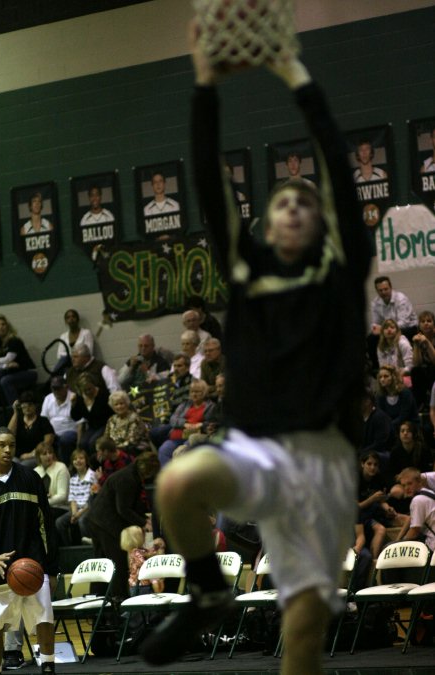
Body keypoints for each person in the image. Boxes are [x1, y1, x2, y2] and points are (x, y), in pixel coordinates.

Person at [139, 22, 372, 675]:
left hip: (323, 464)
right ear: (266, 223)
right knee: (178, 481)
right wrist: (205, 83)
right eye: (282, 202)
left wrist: (296, 74)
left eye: (306, 201)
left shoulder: (340, 270)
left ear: (321, 220)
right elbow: (211, 184)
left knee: (301, 640)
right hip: (255, 450)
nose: (295, 206)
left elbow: (335, 164)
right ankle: (209, 586)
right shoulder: (244, 269)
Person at [0, 427, 58, 675]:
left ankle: (48, 667)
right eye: (2, 445)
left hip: (33, 565)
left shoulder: (30, 478)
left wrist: (53, 568)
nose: (8, 450)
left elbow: (46, 524)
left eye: (12, 445)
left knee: (45, 621)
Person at [86, 452, 160, 599]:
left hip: (97, 519)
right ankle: (119, 602)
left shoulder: (129, 474)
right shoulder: (128, 478)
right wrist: (143, 522)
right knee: (117, 563)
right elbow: (123, 509)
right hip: (105, 523)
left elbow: (129, 505)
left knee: (102, 563)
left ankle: (98, 600)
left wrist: (143, 518)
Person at [157, 379, 215, 467]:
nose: (194, 394)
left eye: (197, 392)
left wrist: (201, 425)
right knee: (163, 450)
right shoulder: (185, 404)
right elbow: (173, 419)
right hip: (176, 437)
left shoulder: (210, 406)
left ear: (204, 392)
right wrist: (184, 423)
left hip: (192, 438)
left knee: (181, 453)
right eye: (192, 392)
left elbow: (211, 423)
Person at [0, 315, 37, 406]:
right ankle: (2, 404)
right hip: (11, 372)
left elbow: (8, 358)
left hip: (27, 372)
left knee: (5, 380)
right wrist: (5, 365)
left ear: (7, 326)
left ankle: (16, 409)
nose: (1, 327)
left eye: (3, 324)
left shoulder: (15, 341)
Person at [55, 449, 97, 546]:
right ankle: (69, 548)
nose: (78, 461)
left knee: (82, 521)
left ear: (86, 460)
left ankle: (89, 546)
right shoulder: (73, 479)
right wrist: (74, 513)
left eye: (81, 458)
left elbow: (92, 501)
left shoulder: (93, 476)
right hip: (77, 510)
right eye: (75, 459)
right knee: (59, 522)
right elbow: (72, 499)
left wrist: (79, 514)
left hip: (88, 509)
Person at [8, 391, 55, 468]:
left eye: (30, 404)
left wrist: (31, 454)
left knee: (22, 466)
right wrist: (15, 412)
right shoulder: (17, 421)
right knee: (10, 463)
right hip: (18, 456)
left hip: (36, 455)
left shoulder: (43, 421)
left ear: (35, 406)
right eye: (24, 405)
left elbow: (48, 442)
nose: (27, 407)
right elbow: (9, 434)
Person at [70, 373, 114, 453]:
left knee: (92, 443)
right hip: (92, 427)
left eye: (90, 389)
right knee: (82, 444)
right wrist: (73, 405)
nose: (88, 392)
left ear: (94, 384)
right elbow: (76, 417)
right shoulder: (80, 397)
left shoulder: (104, 394)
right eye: (85, 390)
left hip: (105, 425)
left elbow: (112, 413)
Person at [40, 376, 79, 464]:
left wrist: (79, 445)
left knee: (65, 439)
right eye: (53, 389)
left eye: (58, 388)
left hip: (70, 432)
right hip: (53, 434)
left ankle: (65, 465)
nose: (56, 391)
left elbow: (80, 423)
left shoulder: (74, 398)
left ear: (66, 387)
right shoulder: (48, 398)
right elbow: (44, 420)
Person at [120, 526, 166, 596]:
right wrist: (154, 580)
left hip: (139, 585)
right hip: (140, 586)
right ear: (137, 539)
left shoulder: (137, 551)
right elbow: (146, 567)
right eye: (142, 535)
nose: (145, 536)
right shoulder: (135, 553)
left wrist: (157, 546)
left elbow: (148, 553)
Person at [396, 467, 435, 549]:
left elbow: (414, 531)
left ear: (419, 482)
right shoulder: (429, 493)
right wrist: (398, 540)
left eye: (410, 483)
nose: (406, 488)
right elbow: (411, 519)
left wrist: (399, 545)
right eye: (403, 485)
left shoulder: (418, 500)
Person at [104, 390, 151, 457]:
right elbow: (106, 437)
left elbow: (132, 441)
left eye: (121, 403)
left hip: (134, 450)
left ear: (126, 404)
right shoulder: (111, 419)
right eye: (116, 404)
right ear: (112, 407)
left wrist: (114, 450)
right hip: (115, 451)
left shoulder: (134, 418)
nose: (119, 406)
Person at [370, 276, 418, 341]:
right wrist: (374, 328)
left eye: (386, 289)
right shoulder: (375, 303)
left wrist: (384, 329)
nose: (383, 292)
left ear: (391, 288)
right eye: (380, 290)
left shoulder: (401, 299)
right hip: (389, 329)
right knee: (371, 338)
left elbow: (403, 323)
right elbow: (375, 323)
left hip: (408, 327)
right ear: (377, 291)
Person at [375, 365, 419, 434]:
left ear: (394, 377)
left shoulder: (405, 393)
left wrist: (388, 426)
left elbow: (404, 415)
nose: (382, 379)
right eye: (380, 377)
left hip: (409, 426)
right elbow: (382, 416)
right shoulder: (380, 396)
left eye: (386, 376)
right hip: (390, 428)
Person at [34, 444, 70, 522]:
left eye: (50, 453)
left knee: (41, 515)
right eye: (44, 454)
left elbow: (62, 496)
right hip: (43, 507)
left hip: (61, 507)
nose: (48, 456)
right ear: (39, 456)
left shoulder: (61, 468)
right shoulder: (36, 471)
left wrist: (43, 502)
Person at [54, 309, 94, 375]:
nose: (71, 319)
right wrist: (73, 356)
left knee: (65, 361)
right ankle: (55, 378)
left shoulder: (86, 333)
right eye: (68, 317)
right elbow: (59, 355)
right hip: (68, 365)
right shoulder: (63, 336)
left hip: (83, 364)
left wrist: (72, 356)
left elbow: (89, 353)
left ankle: (53, 377)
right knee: (64, 361)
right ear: (66, 321)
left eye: (73, 316)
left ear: (77, 319)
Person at [411, 310, 435, 409]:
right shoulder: (418, 338)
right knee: (415, 371)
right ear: (419, 325)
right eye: (423, 321)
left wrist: (427, 343)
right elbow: (417, 363)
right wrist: (416, 345)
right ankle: (420, 403)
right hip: (426, 369)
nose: (426, 323)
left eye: (429, 321)